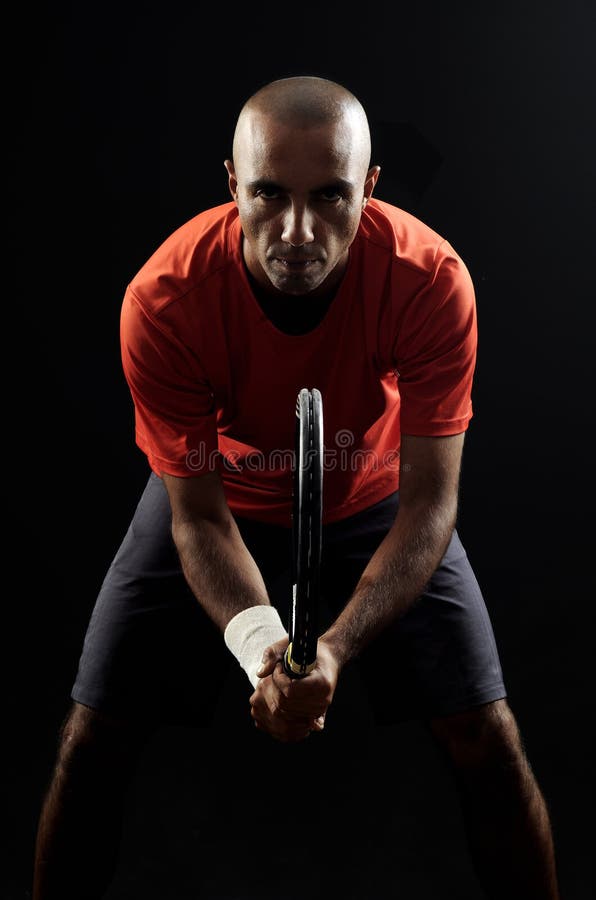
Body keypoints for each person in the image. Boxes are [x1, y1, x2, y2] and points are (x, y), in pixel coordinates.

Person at [32, 75, 560, 900]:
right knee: (90, 738)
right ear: (233, 184)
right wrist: (261, 650)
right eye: (270, 195)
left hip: (378, 500)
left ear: (371, 192)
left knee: (486, 735)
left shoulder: (429, 281)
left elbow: (431, 506)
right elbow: (197, 518)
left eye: (331, 198)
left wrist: (336, 653)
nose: (298, 232)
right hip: (217, 506)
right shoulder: (164, 300)